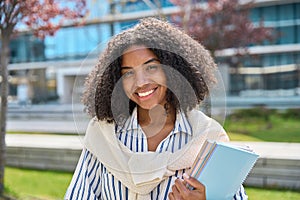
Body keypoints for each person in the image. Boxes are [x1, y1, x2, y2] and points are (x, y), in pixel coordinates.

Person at [65, 17, 248, 200]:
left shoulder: (208, 138)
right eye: (128, 73)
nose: (141, 82)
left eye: (151, 67)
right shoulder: (103, 137)